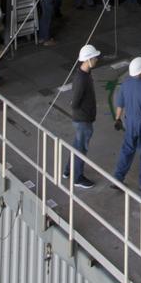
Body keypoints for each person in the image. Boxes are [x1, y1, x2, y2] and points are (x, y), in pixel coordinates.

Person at [62, 43, 100, 189]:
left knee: (77, 145)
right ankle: (78, 178)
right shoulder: (82, 79)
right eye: (94, 58)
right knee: (81, 149)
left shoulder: (83, 74)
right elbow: (75, 101)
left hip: (82, 118)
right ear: (88, 60)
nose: (96, 60)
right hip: (83, 120)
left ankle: (68, 171)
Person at [113, 56, 141, 190]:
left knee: (127, 150)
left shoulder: (125, 84)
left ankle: (118, 178)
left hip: (129, 122)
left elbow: (120, 104)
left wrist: (117, 119)